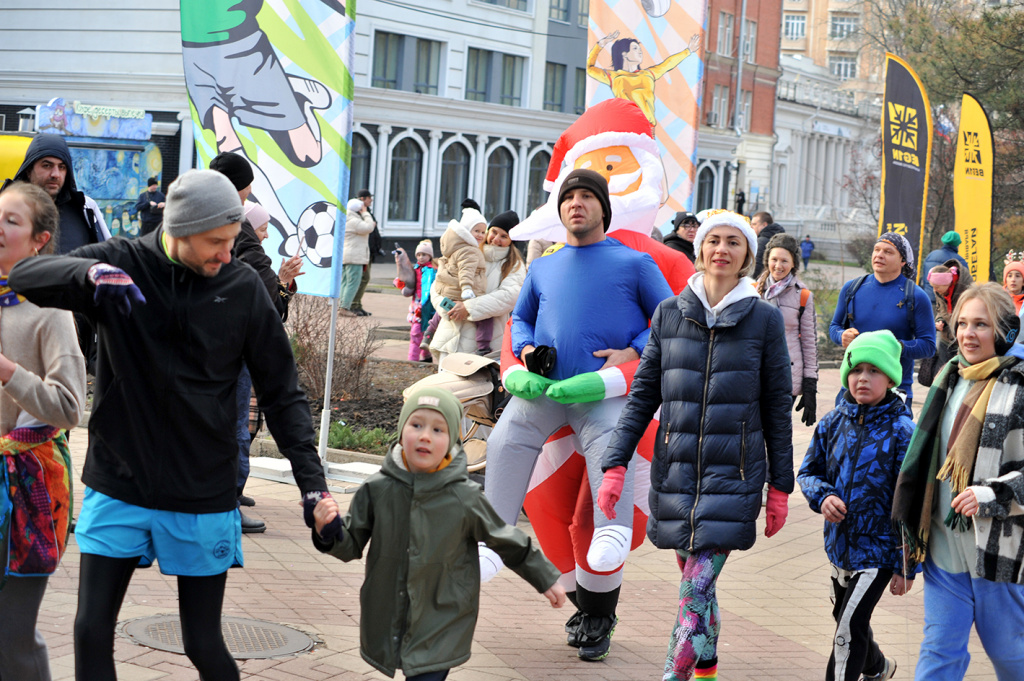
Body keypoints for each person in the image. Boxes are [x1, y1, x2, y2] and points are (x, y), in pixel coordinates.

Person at [8, 169, 335, 681]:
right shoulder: (122, 261)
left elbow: (283, 394)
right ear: (181, 230)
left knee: (202, 642)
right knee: (91, 629)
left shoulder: (243, 287)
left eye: (232, 240)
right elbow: (26, 276)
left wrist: (313, 488)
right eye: (216, 242)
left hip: (202, 490)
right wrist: (90, 276)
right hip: (119, 481)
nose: (226, 253)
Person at [482, 169, 673, 661]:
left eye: (587, 196)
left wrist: (633, 350)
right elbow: (521, 317)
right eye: (569, 197)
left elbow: (669, 319)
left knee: (605, 477)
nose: (576, 204)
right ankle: (491, 540)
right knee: (504, 442)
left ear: (603, 209)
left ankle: (603, 589)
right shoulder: (544, 266)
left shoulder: (635, 262)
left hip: (602, 396)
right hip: (546, 390)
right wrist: (526, 348)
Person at [598, 209, 793, 681]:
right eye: (713, 240)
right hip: (677, 473)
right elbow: (643, 395)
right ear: (700, 249)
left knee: (693, 593)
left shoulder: (764, 320)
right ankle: (707, 670)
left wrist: (780, 488)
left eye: (733, 242)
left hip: (734, 476)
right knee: (699, 591)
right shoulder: (670, 313)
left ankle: (676, 676)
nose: (721, 249)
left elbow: (777, 407)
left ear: (748, 255)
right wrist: (615, 464)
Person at [311, 387, 567, 680]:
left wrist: (544, 577)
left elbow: (506, 539)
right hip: (389, 610)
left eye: (437, 429)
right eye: (416, 425)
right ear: (401, 430)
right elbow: (350, 544)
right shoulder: (378, 489)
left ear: (452, 441)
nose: (425, 436)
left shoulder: (464, 496)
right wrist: (328, 530)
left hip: (444, 616)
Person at [893, 283, 1024, 681]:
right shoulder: (948, 377)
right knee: (939, 652)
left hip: (997, 551)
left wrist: (991, 494)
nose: (968, 334)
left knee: (1011, 655)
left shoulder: (1019, 386)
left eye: (981, 324)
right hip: (942, 547)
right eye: (962, 323)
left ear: (1004, 331)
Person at [0, 182, 86, 681]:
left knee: (11, 637)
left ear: (39, 240)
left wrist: (9, 372)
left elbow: (70, 407)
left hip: (28, 492)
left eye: (12, 221)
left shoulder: (50, 310)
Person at [798, 330, 915, 681]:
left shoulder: (902, 430)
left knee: (848, 628)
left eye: (874, 370)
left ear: (890, 378)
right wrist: (823, 496)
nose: (863, 378)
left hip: (879, 551)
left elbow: (913, 501)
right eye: (856, 369)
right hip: (839, 546)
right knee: (845, 618)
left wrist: (907, 564)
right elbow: (809, 472)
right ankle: (878, 667)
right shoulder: (832, 422)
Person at [210, 151, 304, 535]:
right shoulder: (237, 228)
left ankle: (218, 500)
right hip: (233, 345)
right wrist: (278, 286)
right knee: (235, 426)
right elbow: (269, 303)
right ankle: (227, 505)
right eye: (247, 191)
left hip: (203, 343)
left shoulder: (194, 222)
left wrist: (281, 283)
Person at [2, 133, 112, 375]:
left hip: (70, 335)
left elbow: (109, 257)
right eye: (46, 165)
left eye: (62, 167)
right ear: (29, 168)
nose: (55, 174)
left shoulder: (85, 208)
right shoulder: (5, 206)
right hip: (12, 329)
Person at [828, 232, 936, 412]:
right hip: (852, 390)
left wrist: (896, 347)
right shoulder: (852, 289)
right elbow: (834, 327)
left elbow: (928, 346)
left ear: (903, 261)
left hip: (894, 393)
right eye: (876, 249)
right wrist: (842, 336)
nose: (879, 255)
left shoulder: (916, 296)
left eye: (888, 252)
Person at [430, 211, 526, 360]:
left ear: (511, 240)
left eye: (504, 236)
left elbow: (509, 296)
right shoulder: (463, 251)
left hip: (485, 347)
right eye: (494, 232)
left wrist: (467, 308)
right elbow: (438, 286)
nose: (496, 239)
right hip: (450, 340)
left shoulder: (514, 265)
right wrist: (449, 308)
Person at [754, 233, 818, 426]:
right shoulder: (751, 291)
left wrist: (810, 385)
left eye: (784, 261)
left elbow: (809, 343)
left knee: (776, 430)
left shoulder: (803, 296)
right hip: (754, 373)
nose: (778, 265)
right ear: (767, 260)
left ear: (793, 264)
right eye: (774, 259)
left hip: (786, 377)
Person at [587, 30, 702, 127]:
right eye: (635, 49)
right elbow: (590, 68)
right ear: (624, 54)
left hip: (647, 127)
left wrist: (688, 51)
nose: (640, 52)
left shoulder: (648, 74)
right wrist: (600, 44)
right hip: (626, 125)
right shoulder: (613, 77)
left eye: (639, 49)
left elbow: (668, 63)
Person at [433, 206, 493, 354]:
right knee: (486, 320)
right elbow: (467, 271)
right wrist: (467, 288)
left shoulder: (454, 247)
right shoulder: (470, 250)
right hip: (464, 292)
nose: (480, 235)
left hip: (450, 291)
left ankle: (429, 332)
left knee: (445, 308)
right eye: (476, 231)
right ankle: (483, 346)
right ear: (466, 231)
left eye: (483, 232)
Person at [919, 262, 973, 387]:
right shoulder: (940, 291)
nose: (934, 290)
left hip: (961, 339)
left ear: (947, 283)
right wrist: (940, 320)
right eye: (933, 287)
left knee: (958, 376)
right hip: (946, 337)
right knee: (940, 374)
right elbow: (941, 309)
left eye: (937, 287)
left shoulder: (966, 291)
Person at [394, 239, 436, 362]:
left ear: (430, 256)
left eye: (424, 254)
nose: (421, 257)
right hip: (416, 304)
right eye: (419, 255)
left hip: (427, 305)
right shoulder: (416, 269)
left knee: (417, 333)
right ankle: (426, 356)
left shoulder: (433, 271)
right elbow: (410, 282)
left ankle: (412, 360)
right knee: (420, 331)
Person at [340, 196, 375, 316]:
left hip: (347, 256)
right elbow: (369, 227)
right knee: (352, 283)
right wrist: (365, 213)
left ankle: (342, 306)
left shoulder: (346, 218)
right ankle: (344, 308)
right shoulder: (354, 221)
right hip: (354, 257)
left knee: (345, 282)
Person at [350, 188, 381, 316]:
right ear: (362, 199)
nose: (371, 200)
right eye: (369, 198)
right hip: (361, 252)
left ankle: (357, 304)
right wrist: (366, 215)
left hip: (368, 251)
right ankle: (353, 304)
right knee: (361, 278)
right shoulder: (358, 213)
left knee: (364, 278)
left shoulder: (366, 212)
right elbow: (368, 228)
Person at [920, 231, 968, 303]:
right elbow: (965, 283)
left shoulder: (931, 255)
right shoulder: (960, 261)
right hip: (948, 303)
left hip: (928, 299)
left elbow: (924, 278)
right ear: (957, 244)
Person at [750, 211, 784, 279]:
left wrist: (751, 281)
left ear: (764, 225)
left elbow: (757, 265)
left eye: (754, 224)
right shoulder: (780, 239)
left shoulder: (761, 241)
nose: (751, 227)